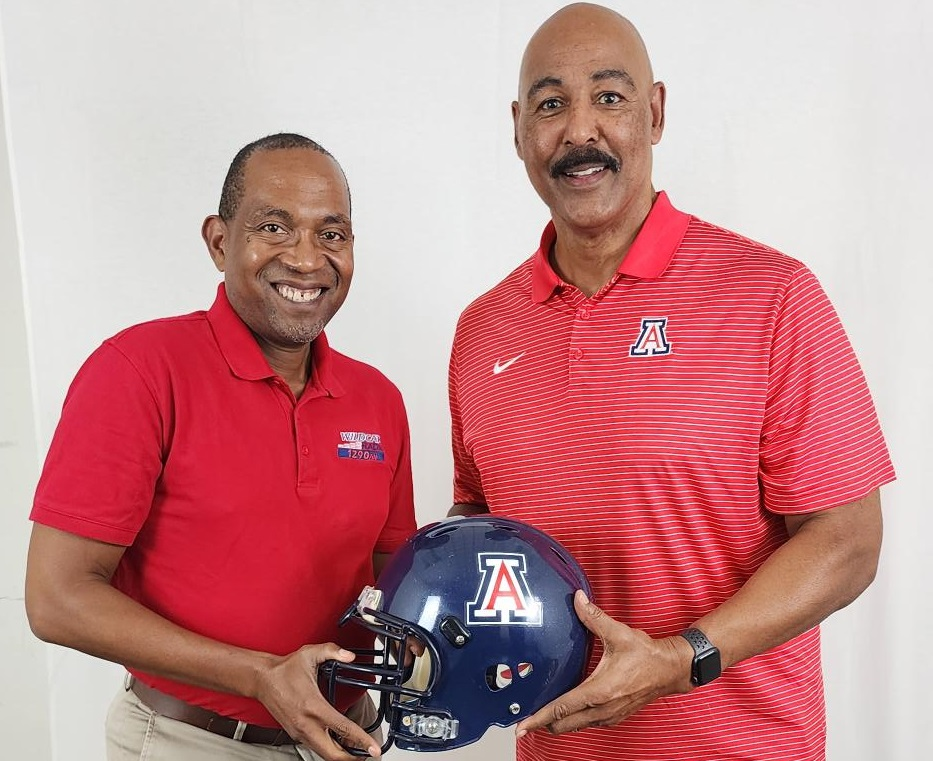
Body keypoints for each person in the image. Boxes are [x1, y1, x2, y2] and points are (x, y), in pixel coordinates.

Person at [447, 4, 895, 760]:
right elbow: (481, 525)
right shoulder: (482, 329)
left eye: (609, 97)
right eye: (551, 104)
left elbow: (847, 541)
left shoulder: (770, 296)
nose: (580, 130)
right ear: (518, 129)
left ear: (653, 113)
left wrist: (685, 657)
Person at [25, 133, 416, 761]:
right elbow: (57, 600)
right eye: (274, 228)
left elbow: (395, 582)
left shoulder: (378, 399)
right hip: (190, 742)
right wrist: (259, 676)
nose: (307, 259)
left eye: (331, 234)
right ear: (218, 241)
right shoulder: (139, 370)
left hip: (346, 737)